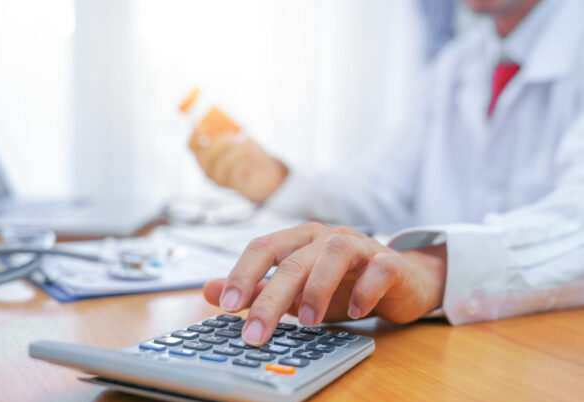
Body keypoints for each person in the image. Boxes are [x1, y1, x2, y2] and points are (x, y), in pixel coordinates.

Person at [188, 0, 584, 347]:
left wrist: (433, 269)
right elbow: (380, 190)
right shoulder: (458, 62)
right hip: (437, 344)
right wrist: (278, 180)